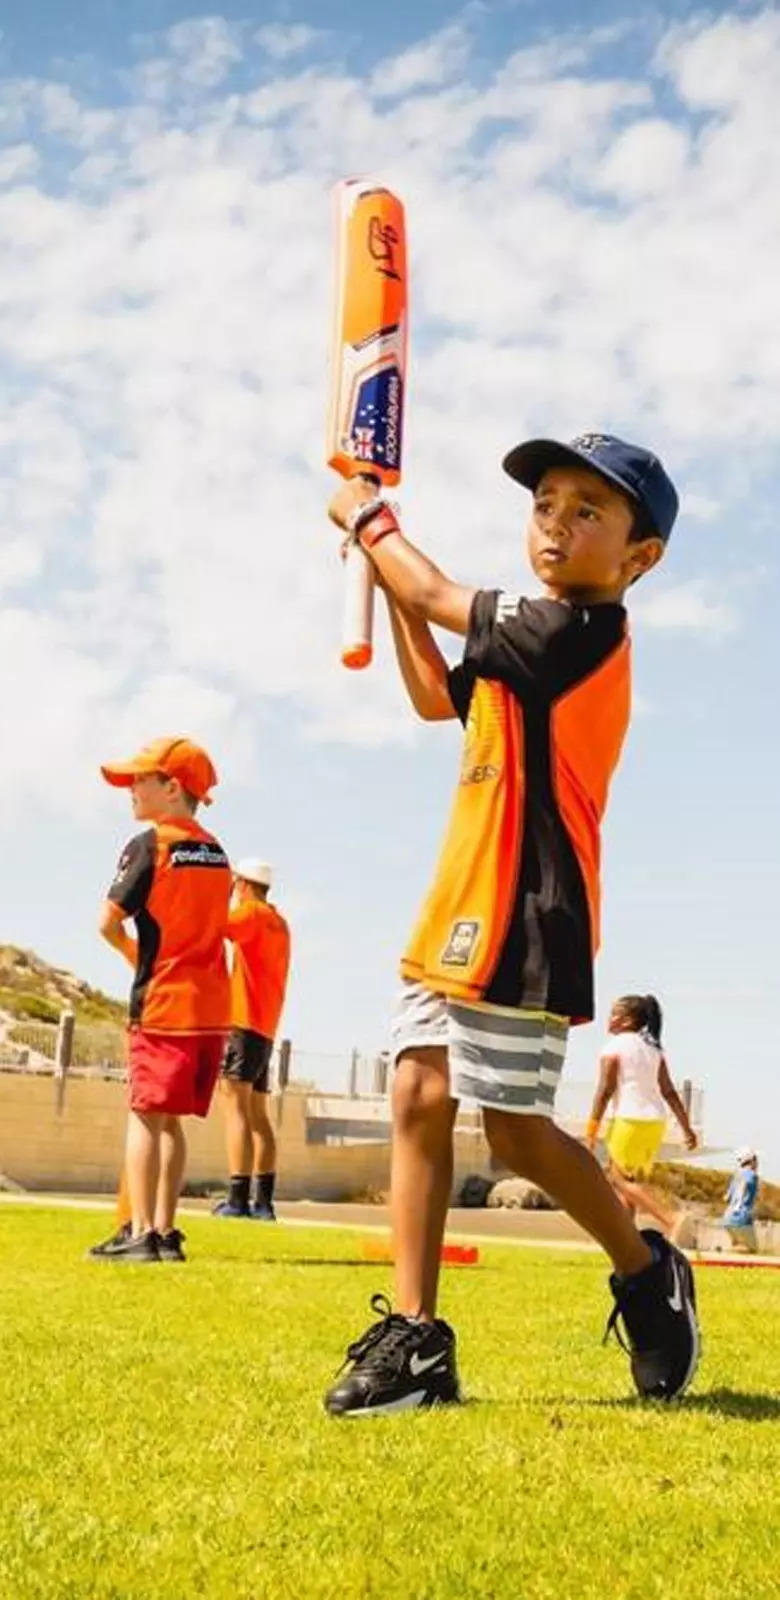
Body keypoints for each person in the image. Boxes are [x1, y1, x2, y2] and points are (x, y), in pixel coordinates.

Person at [322, 432, 700, 1415]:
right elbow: (429, 691)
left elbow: (441, 594)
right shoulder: (517, 646)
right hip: (457, 900)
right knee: (415, 1096)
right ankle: (416, 1339)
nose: (557, 526)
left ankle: (647, 1271)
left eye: (588, 513)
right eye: (545, 506)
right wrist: (383, 569)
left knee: (520, 1136)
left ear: (636, 557)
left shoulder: (575, 633)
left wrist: (370, 519)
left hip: (534, 909)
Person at [88, 737, 232, 1263]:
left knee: (145, 1115)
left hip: (164, 1003)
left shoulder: (150, 845)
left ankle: (140, 1231)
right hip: (212, 1007)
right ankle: (166, 1232)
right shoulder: (217, 851)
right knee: (170, 1121)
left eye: (140, 778)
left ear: (172, 789)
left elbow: (108, 922)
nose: (130, 787)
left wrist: (135, 959)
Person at [213, 859, 291, 1221]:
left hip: (241, 1024)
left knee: (235, 1109)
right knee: (258, 1114)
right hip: (266, 1027)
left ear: (242, 885)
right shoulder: (279, 923)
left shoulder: (251, 914)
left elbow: (213, 926)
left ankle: (237, 1198)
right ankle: (263, 1202)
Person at [585, 994, 697, 1236]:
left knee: (617, 1180)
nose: (610, 1019)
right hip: (655, 1122)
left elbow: (605, 1090)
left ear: (627, 1021)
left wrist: (591, 1130)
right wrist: (687, 1129)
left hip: (629, 1120)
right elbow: (669, 1092)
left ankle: (670, 1219)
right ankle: (627, 1237)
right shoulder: (653, 1049)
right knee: (629, 1184)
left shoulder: (614, 1047)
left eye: (615, 1014)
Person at [721, 1148, 759, 1252]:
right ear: (752, 1160)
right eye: (756, 1160)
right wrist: (740, 1203)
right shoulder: (752, 1175)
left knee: (737, 1247)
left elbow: (726, 1197)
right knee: (752, 1250)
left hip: (727, 1217)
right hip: (742, 1216)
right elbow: (745, 1185)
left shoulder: (736, 1175)